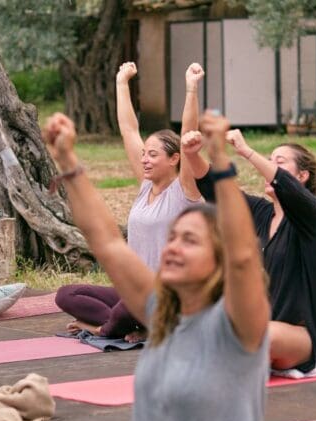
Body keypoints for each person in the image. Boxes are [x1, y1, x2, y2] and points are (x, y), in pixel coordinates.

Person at [2, 111, 270, 421]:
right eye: (172, 238)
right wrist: (67, 159)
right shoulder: (161, 315)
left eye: (189, 241)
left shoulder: (239, 328)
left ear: (220, 261)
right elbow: (105, 240)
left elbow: (246, 256)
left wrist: (221, 162)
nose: (171, 247)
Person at [55, 62, 204, 343]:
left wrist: (191, 89)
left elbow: (188, 136)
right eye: (144, 154)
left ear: (174, 159)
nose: (144, 160)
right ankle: (134, 324)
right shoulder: (146, 185)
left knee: (127, 308)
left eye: (153, 155)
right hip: (134, 292)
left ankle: (103, 329)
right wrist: (122, 82)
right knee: (67, 295)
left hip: (170, 296)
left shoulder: (185, 190)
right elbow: (128, 130)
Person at [181, 129, 316, 372]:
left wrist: (247, 152)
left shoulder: (313, 215)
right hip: (262, 327)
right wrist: (191, 155)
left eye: (279, 162)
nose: (270, 166)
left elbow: (286, 185)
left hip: (304, 338)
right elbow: (219, 192)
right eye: (269, 160)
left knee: (256, 337)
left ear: (302, 175)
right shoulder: (262, 213)